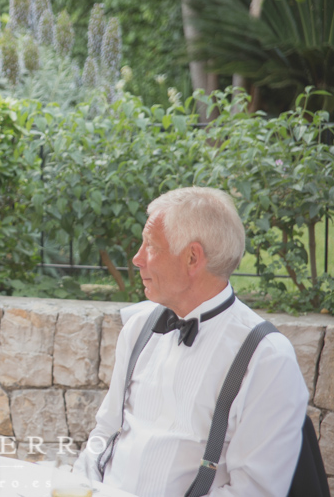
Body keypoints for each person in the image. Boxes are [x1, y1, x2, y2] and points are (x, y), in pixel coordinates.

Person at [73, 186, 307, 496]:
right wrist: (80, 483)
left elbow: (254, 491)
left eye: (151, 247)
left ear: (192, 257)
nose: (137, 259)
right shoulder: (139, 328)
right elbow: (103, 433)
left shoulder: (266, 359)